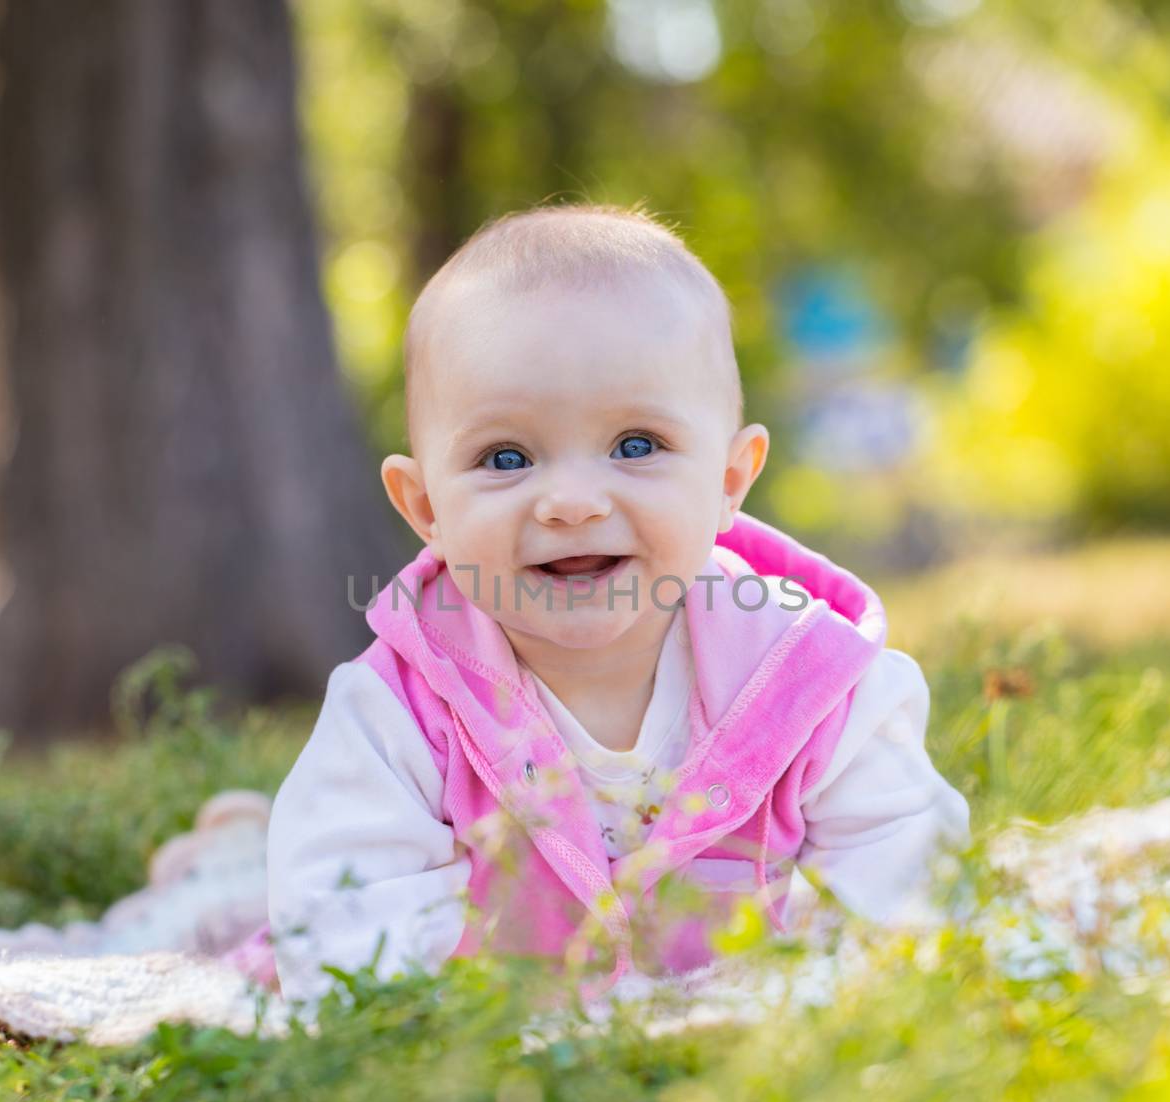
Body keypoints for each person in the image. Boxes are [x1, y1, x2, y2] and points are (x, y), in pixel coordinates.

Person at [258, 203, 970, 1007]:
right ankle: (222, 848)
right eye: (506, 456)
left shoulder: (806, 681)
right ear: (425, 508)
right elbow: (343, 923)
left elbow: (905, 874)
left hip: (729, 1067)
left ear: (731, 479)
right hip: (513, 1061)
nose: (570, 501)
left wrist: (832, 993)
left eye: (636, 446)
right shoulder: (401, 712)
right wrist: (472, 1030)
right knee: (232, 905)